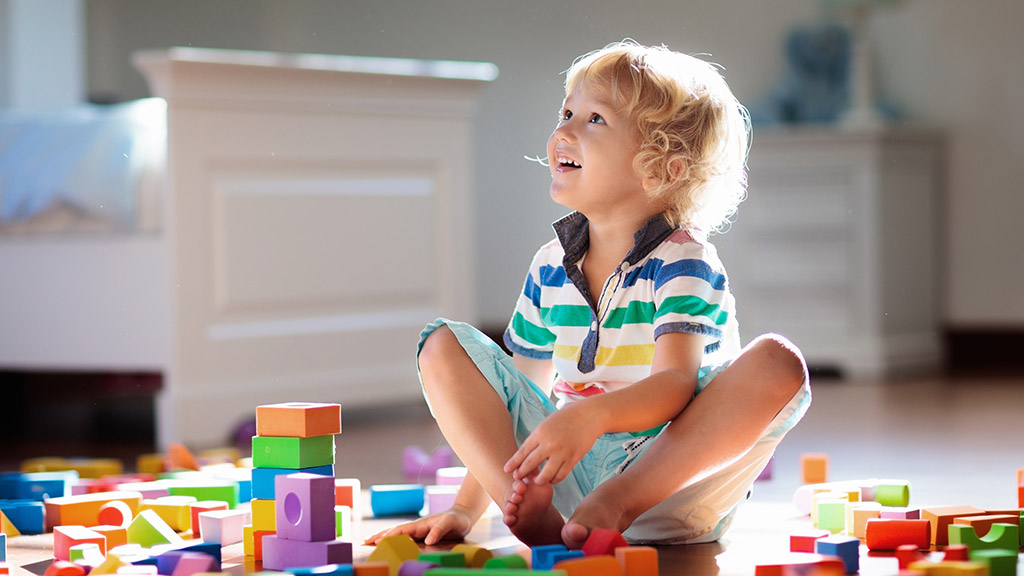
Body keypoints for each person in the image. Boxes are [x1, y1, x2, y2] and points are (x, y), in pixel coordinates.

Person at [365, 40, 811, 549]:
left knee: (778, 362)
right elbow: (513, 397)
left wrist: (589, 416)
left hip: (669, 481)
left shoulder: (683, 261)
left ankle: (619, 501)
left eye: (594, 119)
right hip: (568, 479)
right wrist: (467, 510)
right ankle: (531, 507)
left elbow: (673, 385)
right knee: (441, 343)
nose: (564, 131)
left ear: (662, 166)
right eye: (567, 111)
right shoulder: (548, 266)